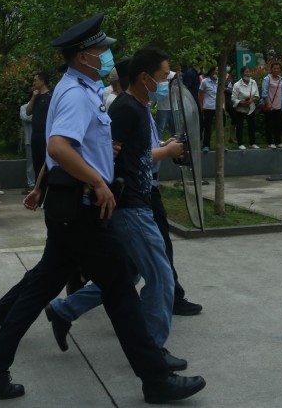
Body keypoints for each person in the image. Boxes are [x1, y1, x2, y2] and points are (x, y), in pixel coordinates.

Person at [0, 13, 205, 403]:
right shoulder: (77, 94)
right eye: (101, 50)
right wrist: (97, 181)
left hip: (68, 206)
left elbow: (69, 147)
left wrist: (82, 167)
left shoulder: (79, 89)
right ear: (82, 56)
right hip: (80, 206)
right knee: (121, 290)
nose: (107, 56)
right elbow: (58, 146)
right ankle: (156, 379)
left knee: (42, 287)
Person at [44, 47, 187, 370]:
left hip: (136, 201)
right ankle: (153, 351)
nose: (166, 83)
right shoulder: (125, 109)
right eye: (163, 77)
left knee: (127, 273)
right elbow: (106, 154)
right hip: (129, 206)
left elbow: (133, 152)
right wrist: (100, 184)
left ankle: (64, 310)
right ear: (145, 78)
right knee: (160, 276)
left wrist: (162, 149)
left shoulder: (139, 107)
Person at [26, 73, 52, 186]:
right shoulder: (35, 96)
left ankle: (48, 188)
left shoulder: (51, 96)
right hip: (35, 135)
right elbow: (28, 112)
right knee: (37, 163)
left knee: (46, 163)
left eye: (35, 80)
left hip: (46, 135)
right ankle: (38, 188)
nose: (34, 83)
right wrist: (33, 97)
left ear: (42, 81)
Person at [231, 66, 260, 150]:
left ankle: (252, 143)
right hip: (241, 108)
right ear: (241, 74)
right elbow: (233, 98)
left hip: (251, 107)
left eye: (249, 72)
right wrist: (241, 102)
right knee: (240, 125)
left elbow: (257, 95)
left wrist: (251, 100)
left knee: (252, 125)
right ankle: (240, 143)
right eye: (246, 72)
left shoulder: (253, 82)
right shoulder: (237, 85)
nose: (248, 74)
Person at [261, 62, 282, 148]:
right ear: (271, 69)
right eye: (274, 68)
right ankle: (270, 142)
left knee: (278, 125)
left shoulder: (281, 79)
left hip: (279, 106)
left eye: (278, 68)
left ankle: (278, 142)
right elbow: (264, 93)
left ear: (280, 70)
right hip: (269, 106)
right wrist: (268, 104)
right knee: (269, 125)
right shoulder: (267, 79)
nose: (276, 70)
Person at [198, 66, 219, 152]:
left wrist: (223, 106)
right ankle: (206, 145)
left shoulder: (219, 81)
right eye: (216, 70)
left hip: (218, 107)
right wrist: (201, 106)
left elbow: (223, 94)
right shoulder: (204, 81)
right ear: (211, 72)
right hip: (208, 107)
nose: (217, 72)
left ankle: (221, 144)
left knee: (220, 126)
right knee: (208, 126)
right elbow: (200, 93)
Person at [153, 69, 176, 140]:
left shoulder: (174, 75)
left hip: (174, 107)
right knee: (159, 129)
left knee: (175, 130)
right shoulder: (158, 74)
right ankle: (158, 144)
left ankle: (175, 145)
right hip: (162, 107)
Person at [19, 100, 35, 192]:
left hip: (42, 139)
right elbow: (25, 117)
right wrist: (39, 115)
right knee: (31, 164)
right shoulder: (24, 107)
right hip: (29, 140)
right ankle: (31, 184)